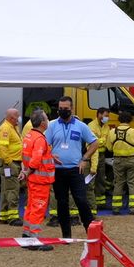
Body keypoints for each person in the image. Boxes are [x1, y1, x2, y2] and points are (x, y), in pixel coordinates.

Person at [46, 95, 97, 236]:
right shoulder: (52, 125)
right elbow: (44, 144)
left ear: (72, 109)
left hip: (76, 170)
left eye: (66, 108)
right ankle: (66, 235)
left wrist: (85, 159)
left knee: (81, 201)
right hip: (58, 171)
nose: (62, 111)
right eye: (60, 108)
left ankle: (91, 233)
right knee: (62, 203)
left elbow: (94, 143)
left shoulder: (81, 126)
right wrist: (50, 155)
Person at [20, 109, 55, 249]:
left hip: (33, 179)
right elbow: (35, 160)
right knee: (38, 208)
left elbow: (28, 156)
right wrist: (28, 172)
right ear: (42, 123)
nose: (48, 121)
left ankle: (26, 235)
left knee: (30, 207)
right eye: (46, 118)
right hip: (40, 180)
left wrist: (26, 172)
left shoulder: (29, 135)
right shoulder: (40, 138)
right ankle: (34, 240)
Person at [104, 107, 134, 215]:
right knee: (133, 183)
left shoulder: (112, 132)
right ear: (130, 120)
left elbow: (109, 148)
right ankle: (133, 208)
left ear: (119, 119)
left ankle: (116, 208)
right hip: (132, 160)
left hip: (118, 160)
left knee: (118, 183)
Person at [0, 107, 23, 225]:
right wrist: (10, 163)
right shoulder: (5, 128)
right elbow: (2, 148)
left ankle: (4, 216)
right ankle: (13, 217)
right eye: (17, 116)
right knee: (12, 189)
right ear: (12, 118)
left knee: (6, 189)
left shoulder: (13, 127)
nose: (19, 118)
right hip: (9, 163)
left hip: (10, 162)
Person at [89, 106, 113, 214]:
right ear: (99, 115)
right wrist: (103, 140)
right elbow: (93, 142)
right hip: (93, 155)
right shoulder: (91, 126)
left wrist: (101, 141)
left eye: (108, 116)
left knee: (101, 178)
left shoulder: (106, 126)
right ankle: (92, 202)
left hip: (102, 155)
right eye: (106, 115)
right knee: (92, 179)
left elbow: (107, 140)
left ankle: (101, 202)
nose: (107, 118)